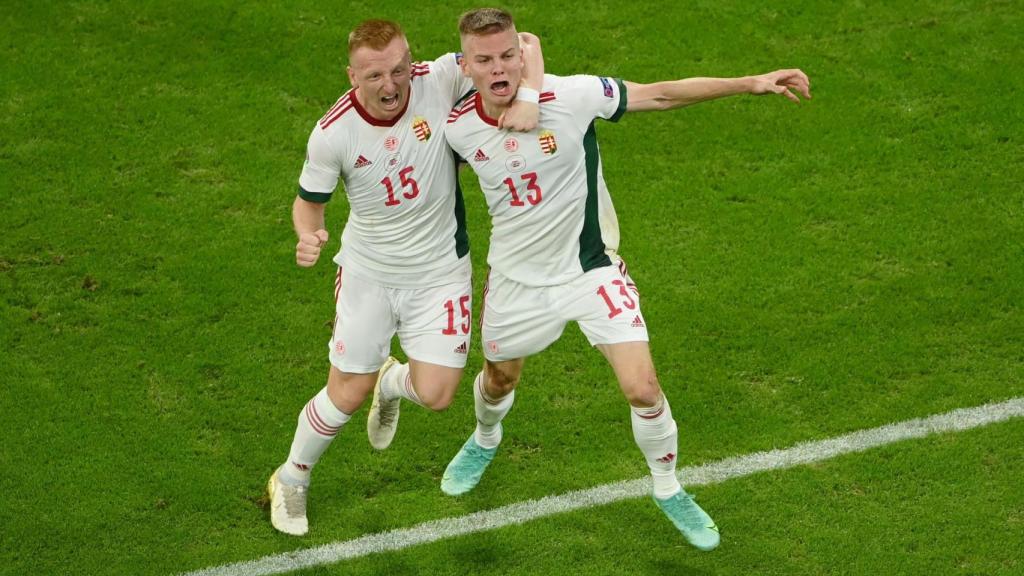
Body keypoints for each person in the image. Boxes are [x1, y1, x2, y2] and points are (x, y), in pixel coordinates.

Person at [440, 8, 811, 552]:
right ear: (465, 66)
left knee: (643, 387)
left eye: (506, 55)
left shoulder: (573, 96)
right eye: (484, 59)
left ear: (523, 54)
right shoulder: (455, 127)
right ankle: (485, 437)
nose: (498, 68)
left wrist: (748, 83)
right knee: (499, 381)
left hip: (590, 269)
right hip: (516, 280)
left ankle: (667, 486)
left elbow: (659, 94)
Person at [267, 18, 545, 536]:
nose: (392, 85)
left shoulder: (438, 79)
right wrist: (309, 236)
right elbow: (308, 206)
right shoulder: (333, 134)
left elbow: (523, 45)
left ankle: (392, 384)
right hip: (369, 275)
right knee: (346, 393)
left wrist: (527, 95)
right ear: (352, 76)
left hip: (440, 272)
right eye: (375, 76)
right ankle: (291, 477)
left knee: (438, 395)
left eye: (398, 69)